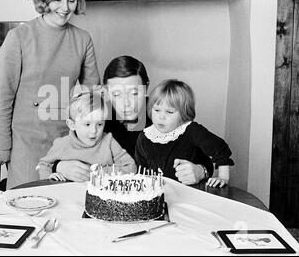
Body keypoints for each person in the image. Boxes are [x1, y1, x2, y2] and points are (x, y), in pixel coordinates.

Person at [0, 0, 100, 189]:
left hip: (67, 144)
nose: (65, 8)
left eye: (71, 0)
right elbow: (2, 97)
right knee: (29, 207)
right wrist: (4, 146)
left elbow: (93, 97)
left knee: (66, 212)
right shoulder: (18, 37)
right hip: (25, 145)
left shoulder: (83, 39)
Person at [54, 56, 213, 185]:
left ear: (146, 87)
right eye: (117, 95)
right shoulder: (97, 118)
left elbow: (205, 160)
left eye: (134, 93)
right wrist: (60, 166)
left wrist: (201, 170)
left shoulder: (165, 113)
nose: (126, 103)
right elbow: (64, 149)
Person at [135, 79, 234, 187]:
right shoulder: (145, 137)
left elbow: (220, 148)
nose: (161, 117)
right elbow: (141, 171)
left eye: (169, 112)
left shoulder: (191, 130)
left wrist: (223, 177)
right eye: (157, 110)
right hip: (158, 194)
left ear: (183, 114)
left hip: (191, 193)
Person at [36, 90, 136, 180]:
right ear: (72, 125)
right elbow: (44, 164)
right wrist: (49, 177)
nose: (94, 130)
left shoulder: (108, 142)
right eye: (87, 124)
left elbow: (131, 167)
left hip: (100, 195)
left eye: (100, 124)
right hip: (68, 194)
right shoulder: (62, 144)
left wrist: (101, 172)